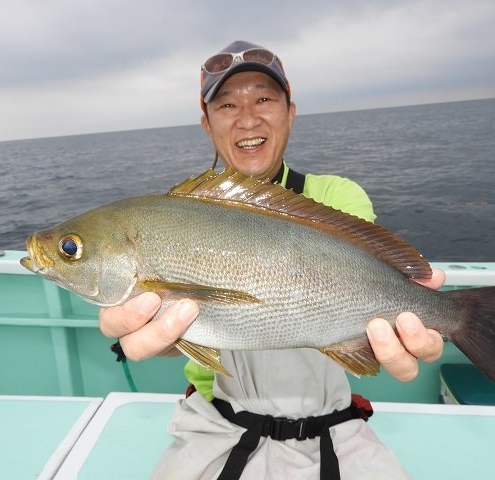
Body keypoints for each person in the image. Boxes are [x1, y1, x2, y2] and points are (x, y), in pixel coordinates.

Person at [100, 40, 445, 479]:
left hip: (333, 425)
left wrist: (420, 310)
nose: (248, 118)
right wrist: (156, 335)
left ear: (290, 111)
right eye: (227, 105)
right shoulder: (172, 218)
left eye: (264, 98)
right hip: (218, 422)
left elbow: (360, 277)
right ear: (206, 124)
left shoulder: (337, 197)